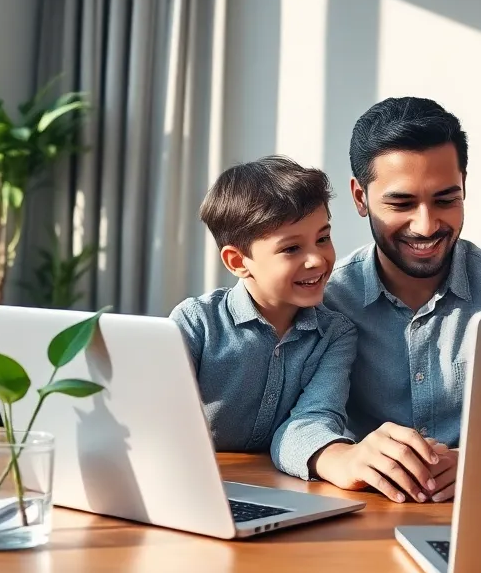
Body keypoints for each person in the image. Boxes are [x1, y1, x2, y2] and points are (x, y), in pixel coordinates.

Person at [323, 96, 481, 504]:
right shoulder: (327, 299)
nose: (426, 225)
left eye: (445, 199)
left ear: (464, 186)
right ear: (360, 198)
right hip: (364, 522)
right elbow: (293, 420)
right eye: (401, 203)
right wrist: (341, 457)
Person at [170, 157, 436, 492]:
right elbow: (158, 423)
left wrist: (341, 459)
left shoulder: (335, 334)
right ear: (238, 262)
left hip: (274, 489)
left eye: (322, 238)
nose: (316, 259)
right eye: (291, 248)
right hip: (192, 486)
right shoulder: (196, 324)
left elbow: (313, 418)